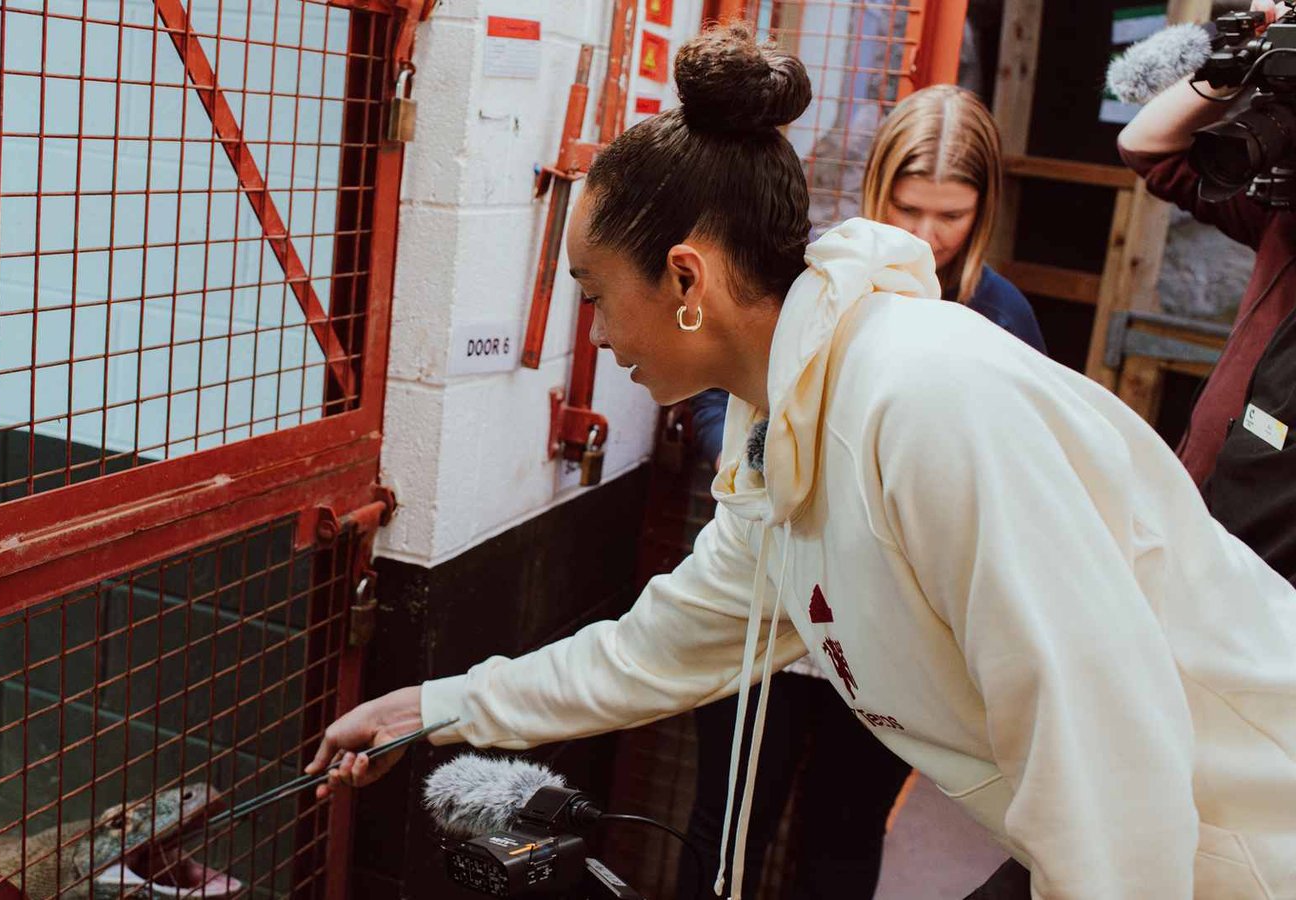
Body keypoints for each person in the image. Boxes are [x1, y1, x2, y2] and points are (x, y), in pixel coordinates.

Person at [311, 23, 1296, 899]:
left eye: (597, 292)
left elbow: (1101, 762)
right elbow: (649, 654)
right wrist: (430, 706)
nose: (598, 331)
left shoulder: (924, 400)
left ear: (685, 278)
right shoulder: (789, 428)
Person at [678, 83, 1045, 900]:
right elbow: (713, 389)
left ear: (983, 209)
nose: (925, 236)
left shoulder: (1002, 316)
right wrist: (753, 457)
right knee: (726, 825)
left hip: (891, 636)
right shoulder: (810, 276)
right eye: (908, 207)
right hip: (773, 601)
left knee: (844, 837)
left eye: (950, 216)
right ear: (878, 185)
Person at [1117, 0, 1296, 585]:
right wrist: (1244, 57)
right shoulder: (1284, 220)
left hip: (1264, 581)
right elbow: (1145, 145)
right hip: (1193, 529)